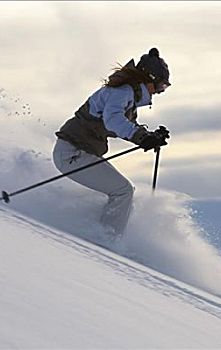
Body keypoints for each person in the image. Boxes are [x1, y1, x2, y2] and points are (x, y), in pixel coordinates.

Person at [52, 48, 171, 237]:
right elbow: (114, 121)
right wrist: (141, 137)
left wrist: (149, 136)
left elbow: (125, 124)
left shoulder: (128, 95)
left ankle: (94, 232)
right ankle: (107, 240)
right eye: (161, 86)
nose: (160, 92)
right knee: (123, 191)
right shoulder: (122, 92)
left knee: (119, 191)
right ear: (150, 79)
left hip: (78, 153)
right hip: (72, 153)